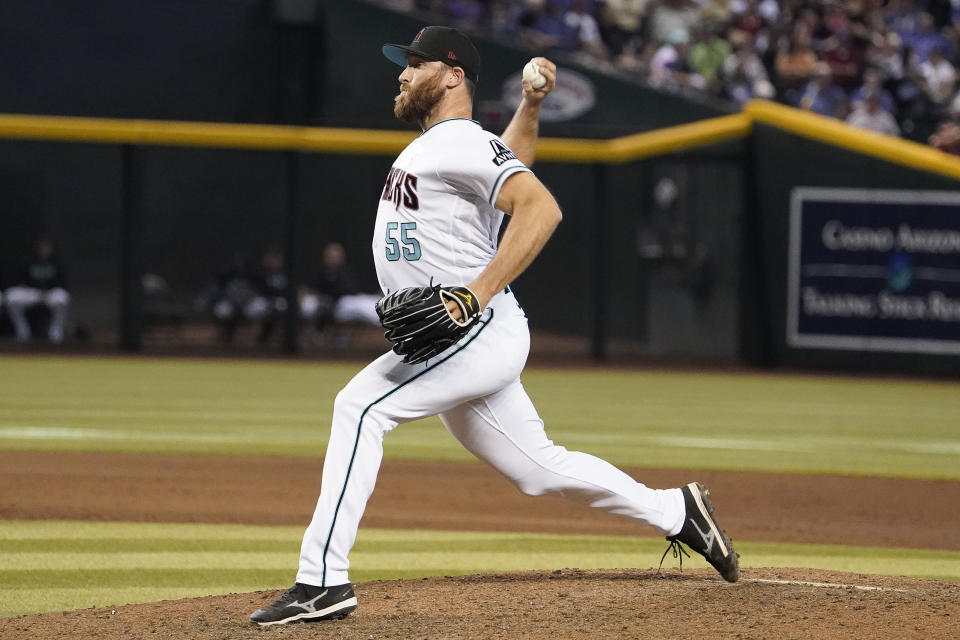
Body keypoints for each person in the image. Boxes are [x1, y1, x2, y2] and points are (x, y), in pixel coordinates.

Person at [249, 25, 739, 627]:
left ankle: (322, 580)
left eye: (416, 64)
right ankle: (677, 511)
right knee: (536, 468)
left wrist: (472, 296)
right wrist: (531, 107)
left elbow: (540, 207)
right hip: (467, 333)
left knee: (361, 407)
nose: (402, 74)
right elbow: (511, 161)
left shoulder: (457, 142)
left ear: (453, 76)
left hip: (473, 329)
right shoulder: (457, 145)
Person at [300, 242, 381, 333]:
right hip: (323, 304)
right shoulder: (319, 273)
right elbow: (310, 290)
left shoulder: (345, 273)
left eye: (336, 257)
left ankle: (385, 318)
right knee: (308, 304)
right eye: (331, 257)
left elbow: (351, 292)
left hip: (343, 304)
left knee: (364, 303)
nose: (333, 259)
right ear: (325, 257)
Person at [4, 237, 71, 344]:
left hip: (50, 294)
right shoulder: (29, 260)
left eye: (46, 247)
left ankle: (55, 332)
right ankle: (22, 330)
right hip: (32, 293)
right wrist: (33, 291)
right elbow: (20, 282)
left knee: (62, 297)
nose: (44, 250)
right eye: (42, 247)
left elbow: (62, 285)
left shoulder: (57, 262)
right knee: (10, 296)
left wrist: (46, 293)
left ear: (51, 248)